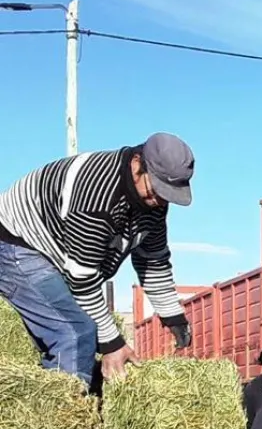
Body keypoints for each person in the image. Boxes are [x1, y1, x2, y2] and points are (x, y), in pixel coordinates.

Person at [0, 132, 195, 389]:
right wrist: (112, 344)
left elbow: (154, 260)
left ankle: (84, 403)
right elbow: (82, 280)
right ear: (137, 164)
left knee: (89, 338)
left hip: (59, 253)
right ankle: (66, 421)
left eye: (168, 193)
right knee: (74, 332)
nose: (160, 199)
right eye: (157, 189)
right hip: (18, 243)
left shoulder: (154, 204)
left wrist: (173, 316)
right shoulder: (96, 197)